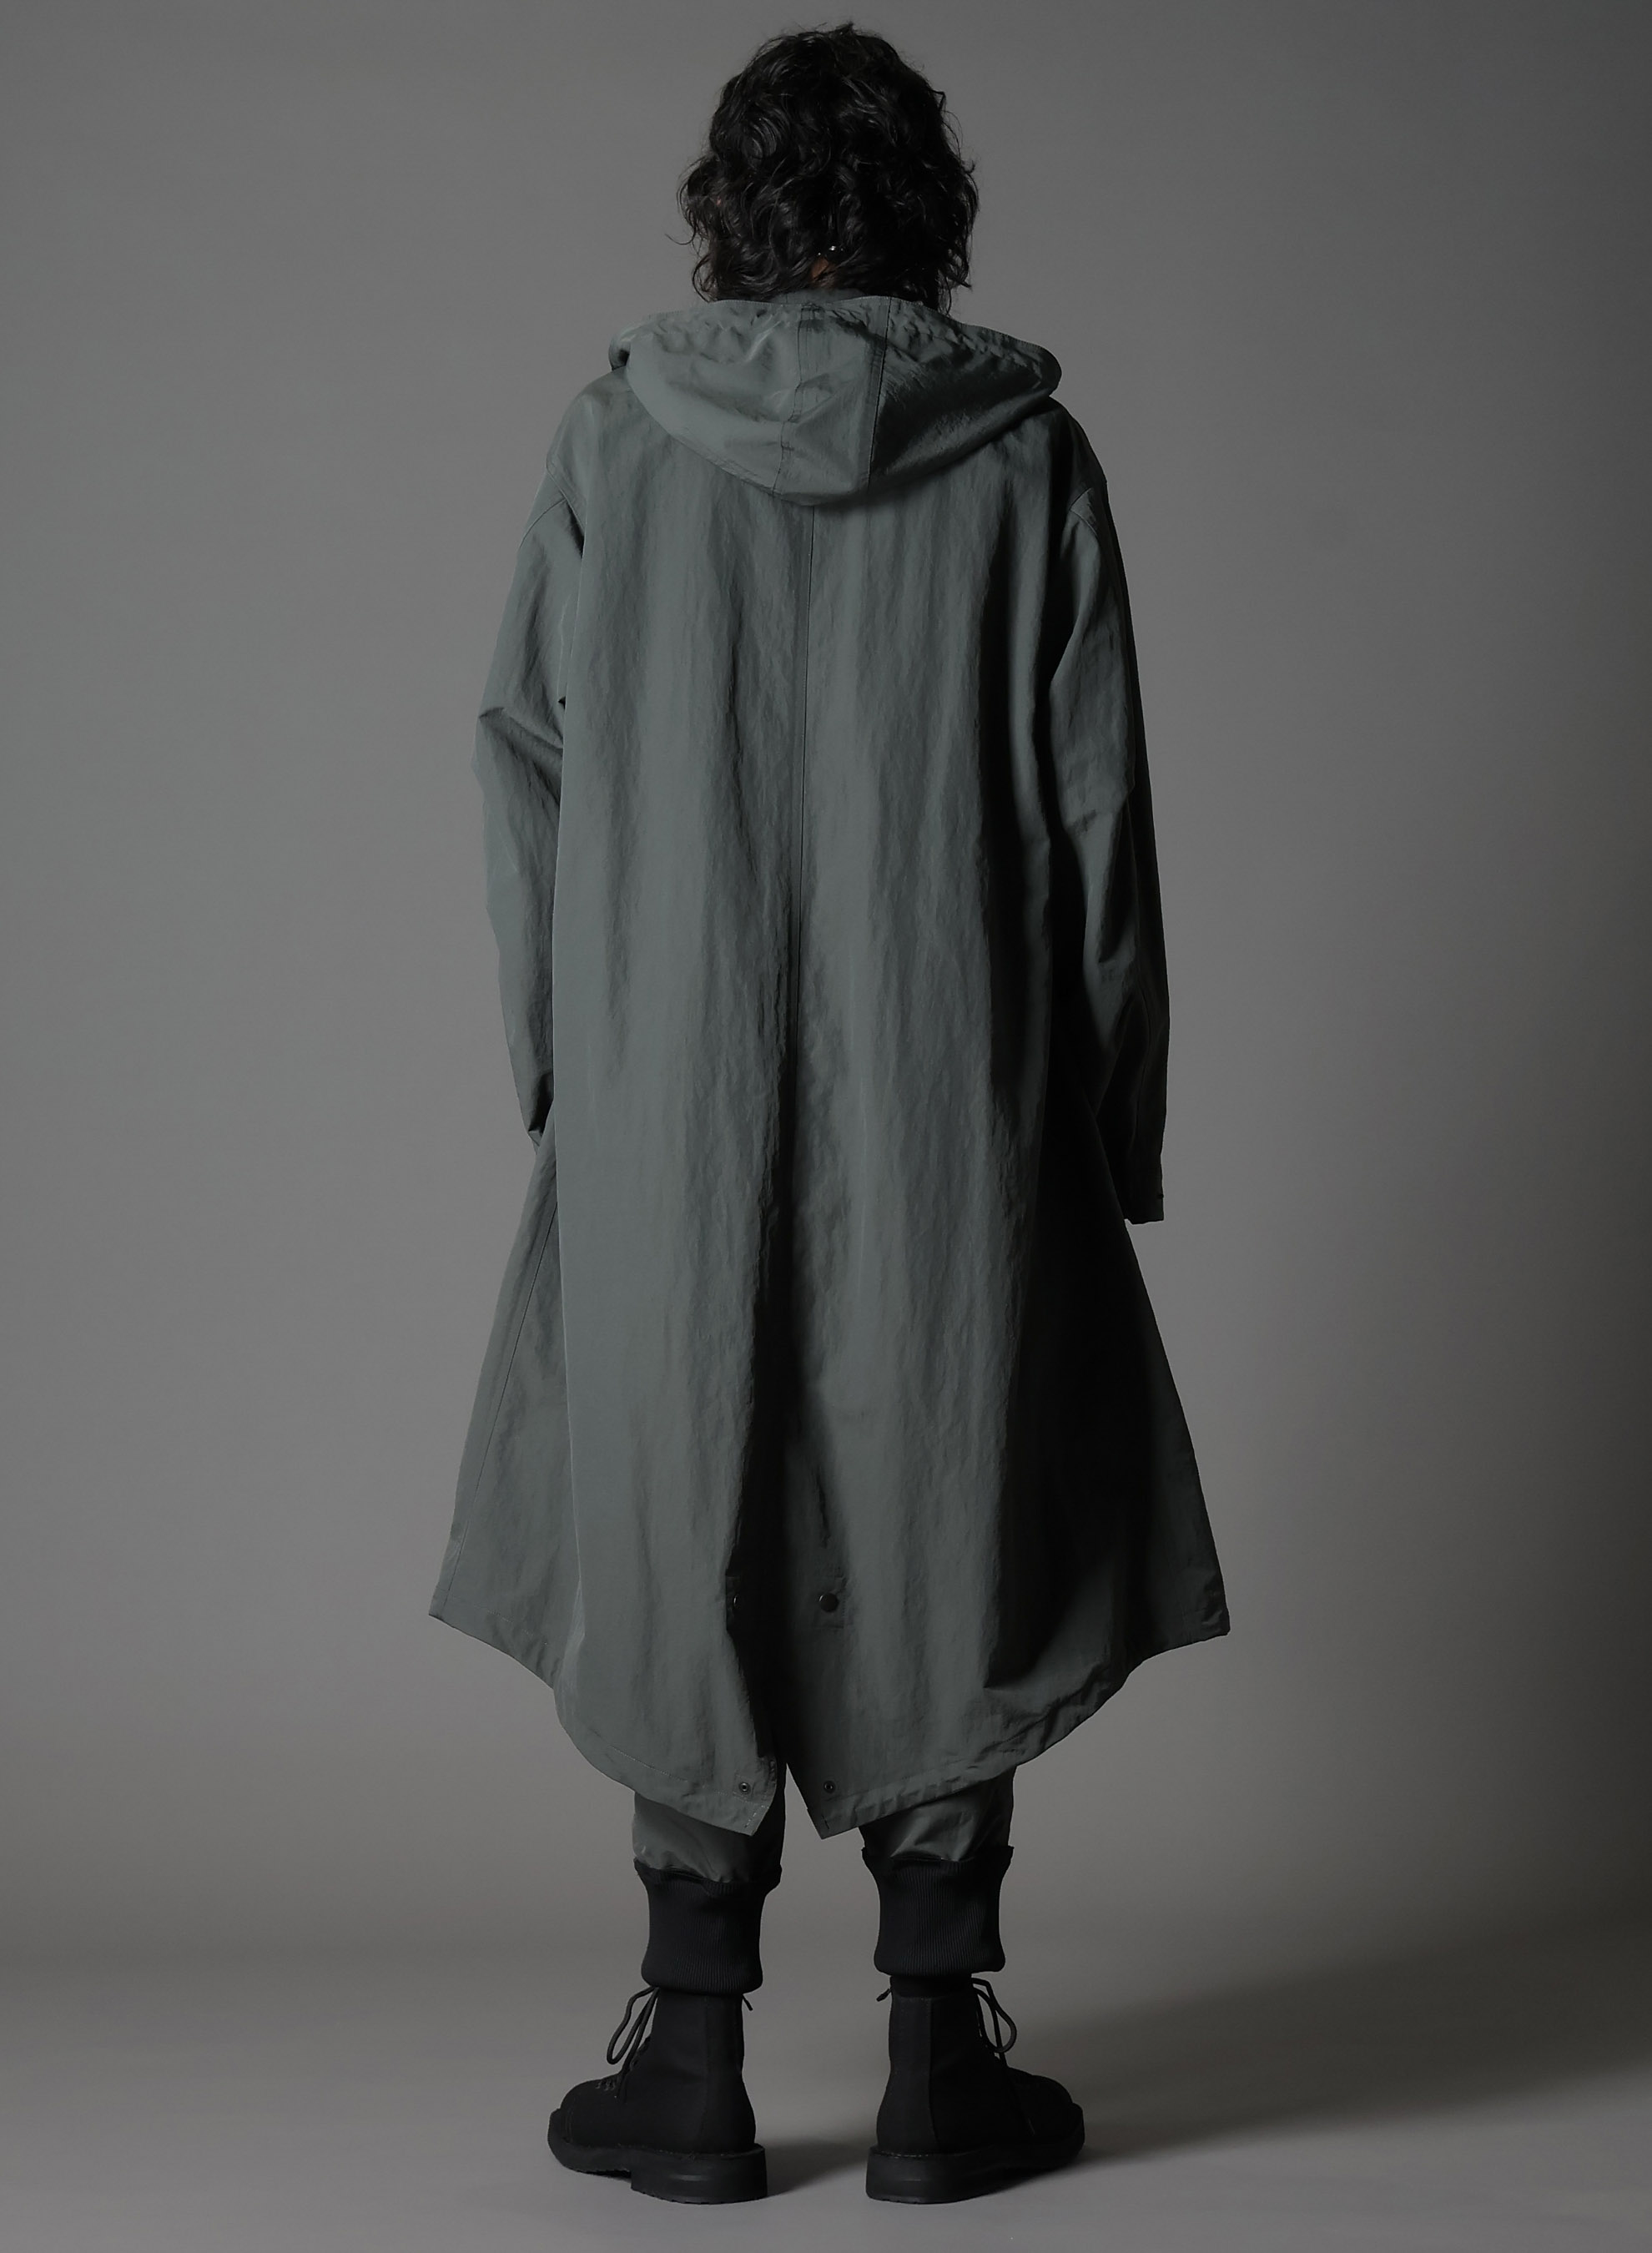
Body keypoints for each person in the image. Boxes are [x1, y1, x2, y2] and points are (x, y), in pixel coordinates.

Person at [430, 21, 1228, 2207]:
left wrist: (571, 1064)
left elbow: (521, 759)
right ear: (927, 213)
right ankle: (939, 2057)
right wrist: (1112, 1111)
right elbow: (1099, 818)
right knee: (940, 1498)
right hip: (957, 1077)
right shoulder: (1027, 461)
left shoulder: (615, 437)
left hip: (667, 1083)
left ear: (731, 208)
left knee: (681, 1490)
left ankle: (689, 2058)